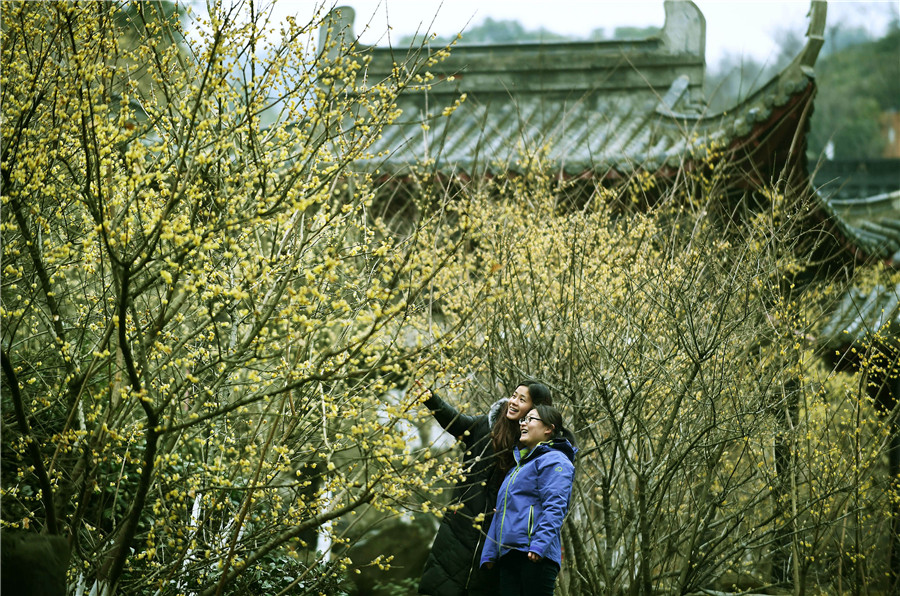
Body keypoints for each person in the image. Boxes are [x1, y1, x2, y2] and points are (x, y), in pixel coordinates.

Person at [417, 380, 553, 596]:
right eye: (513, 395)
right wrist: (431, 399)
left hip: (495, 542)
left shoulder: (533, 452)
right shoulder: (484, 428)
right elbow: (456, 421)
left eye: (522, 399)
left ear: (536, 409)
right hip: (457, 531)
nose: (513, 402)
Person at [479, 404, 577, 596]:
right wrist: (489, 552)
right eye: (523, 420)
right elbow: (501, 511)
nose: (523, 424)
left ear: (548, 429)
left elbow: (555, 507)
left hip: (535, 556)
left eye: (530, 419)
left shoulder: (556, 460)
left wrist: (539, 545)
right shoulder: (519, 466)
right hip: (509, 555)